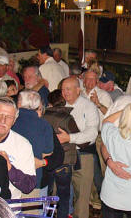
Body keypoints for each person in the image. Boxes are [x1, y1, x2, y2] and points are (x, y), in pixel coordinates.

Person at [58, 77, 99, 218]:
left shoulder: (88, 106)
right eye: (63, 89)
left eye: (68, 89)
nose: (65, 92)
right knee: (62, 194)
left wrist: (70, 138)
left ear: (78, 90)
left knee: (82, 198)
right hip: (62, 156)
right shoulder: (59, 104)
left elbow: (92, 133)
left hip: (83, 156)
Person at [11, 90, 54, 210]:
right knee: (32, 212)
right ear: (38, 105)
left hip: (10, 175)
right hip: (33, 178)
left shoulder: (11, 121)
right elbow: (49, 151)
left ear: (19, 104)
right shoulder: (44, 125)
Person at [0, 97, 36, 201]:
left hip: (9, 208)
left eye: (9, 117)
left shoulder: (23, 145)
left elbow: (29, 186)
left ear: (14, 121)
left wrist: (9, 168)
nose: (3, 120)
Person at [42, 89, 78, 218]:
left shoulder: (43, 115)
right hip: (64, 161)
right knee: (63, 197)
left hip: (48, 160)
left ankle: (47, 215)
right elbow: (77, 136)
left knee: (48, 193)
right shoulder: (67, 118)